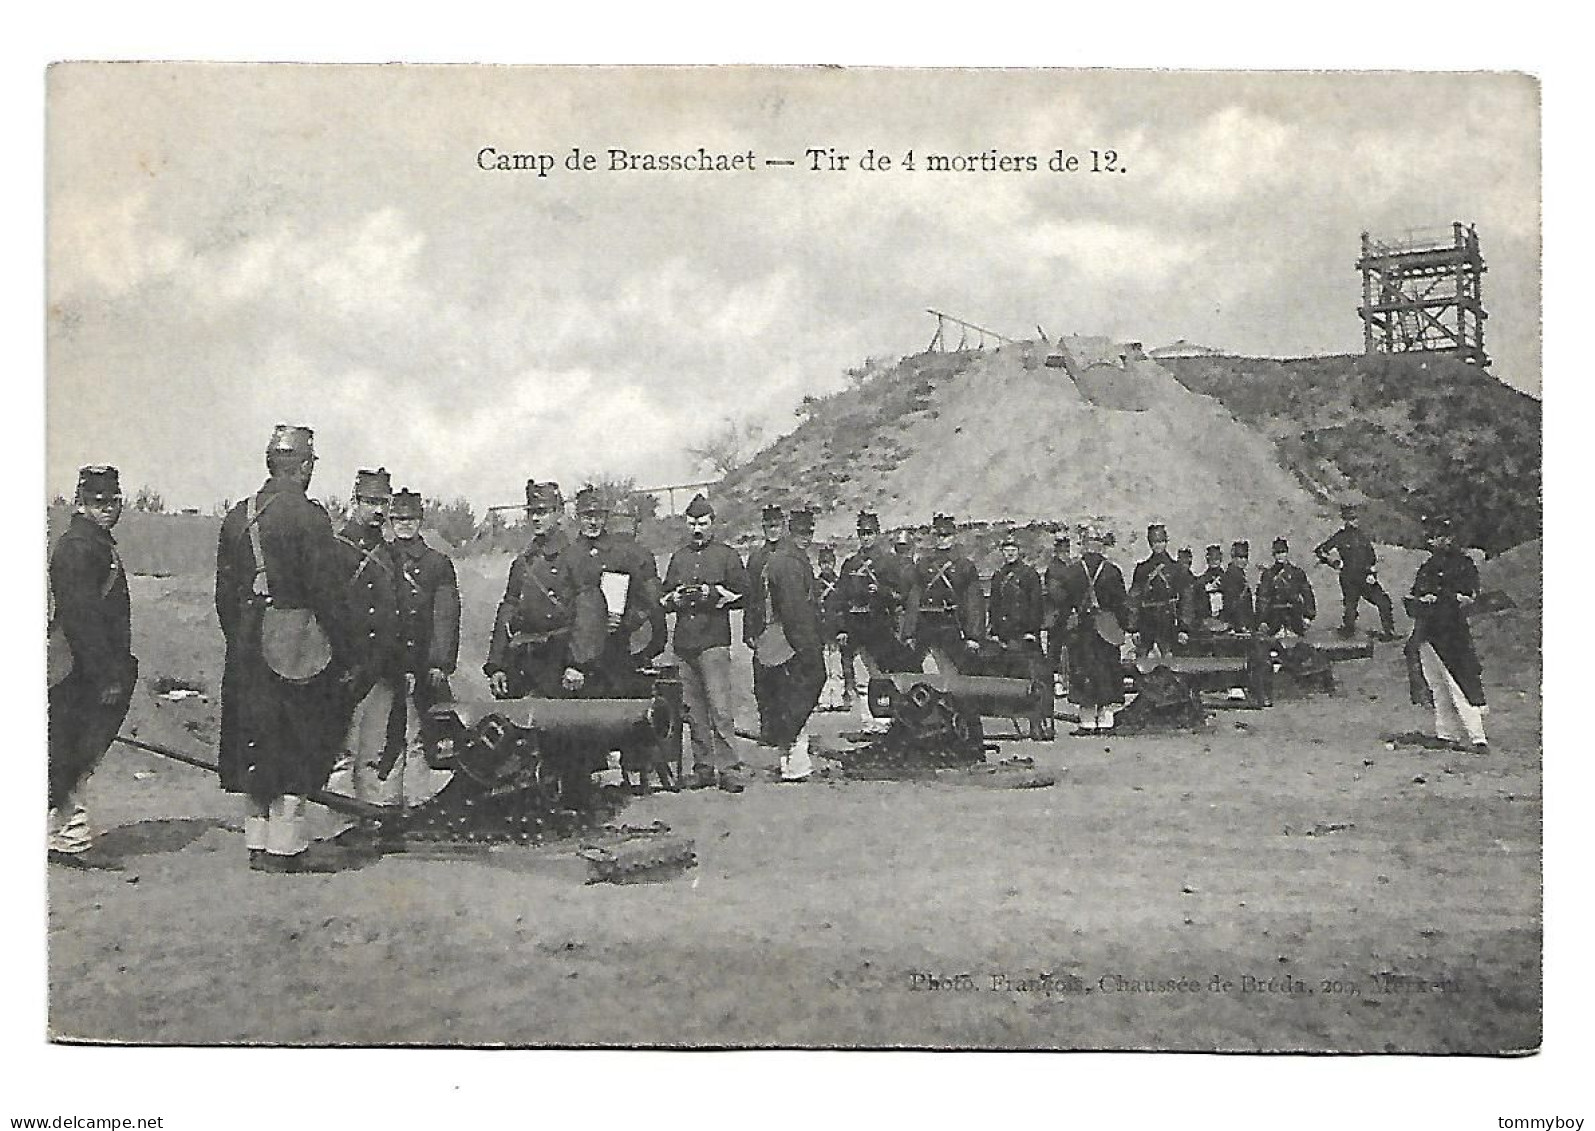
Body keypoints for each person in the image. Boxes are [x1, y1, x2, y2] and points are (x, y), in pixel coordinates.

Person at [215, 425, 355, 873]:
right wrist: (344, 649)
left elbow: (222, 595)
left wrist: (241, 637)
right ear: (305, 467)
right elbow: (329, 594)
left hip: (245, 643)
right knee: (299, 741)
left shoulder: (238, 516)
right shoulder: (311, 518)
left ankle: (256, 843)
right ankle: (286, 847)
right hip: (295, 645)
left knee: (254, 742)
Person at [485, 481, 609, 801]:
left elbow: (590, 610)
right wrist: (497, 664)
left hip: (560, 659)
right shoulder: (524, 561)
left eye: (544, 512)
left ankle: (577, 805)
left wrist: (578, 664)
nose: (537, 518)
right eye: (532, 512)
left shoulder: (576, 557)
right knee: (523, 739)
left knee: (567, 739)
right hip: (525, 660)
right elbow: (508, 610)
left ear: (559, 513)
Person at [47, 465, 137, 870]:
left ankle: (60, 835)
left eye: (113, 502)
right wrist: (105, 675)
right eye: (99, 502)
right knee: (72, 755)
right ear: (81, 502)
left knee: (68, 755)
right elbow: (82, 619)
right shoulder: (80, 547)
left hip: (78, 666)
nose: (108, 509)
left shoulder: (92, 543)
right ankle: (70, 840)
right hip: (77, 671)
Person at [329, 468, 407, 843]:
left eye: (383, 503)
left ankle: (368, 820)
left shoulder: (391, 552)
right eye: (371, 502)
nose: (378, 511)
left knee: (374, 749)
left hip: (383, 666)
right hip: (347, 664)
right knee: (341, 746)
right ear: (354, 502)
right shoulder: (337, 549)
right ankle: (341, 822)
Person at [661, 494, 750, 791]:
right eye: (691, 523)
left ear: (712, 523)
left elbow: (744, 594)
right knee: (693, 710)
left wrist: (712, 594)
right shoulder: (679, 557)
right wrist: (675, 598)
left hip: (713, 640)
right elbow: (664, 596)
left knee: (720, 708)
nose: (697, 529)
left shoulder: (726, 555)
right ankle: (703, 767)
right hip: (685, 642)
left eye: (702, 523)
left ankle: (729, 768)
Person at [383, 488, 461, 789]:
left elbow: (445, 616)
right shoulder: (382, 557)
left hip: (423, 662)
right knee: (386, 736)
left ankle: (423, 802)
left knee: (432, 737)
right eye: (399, 518)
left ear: (420, 521)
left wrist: (439, 662)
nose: (404, 524)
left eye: (410, 518)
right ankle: (385, 804)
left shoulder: (436, 563)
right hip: (388, 661)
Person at [572, 485, 665, 697]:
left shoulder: (621, 555)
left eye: (598, 516)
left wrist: (625, 621)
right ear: (577, 517)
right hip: (576, 653)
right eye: (587, 516)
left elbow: (645, 600)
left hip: (614, 649)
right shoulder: (568, 555)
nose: (593, 522)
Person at [1405, 515, 1488, 751]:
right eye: (1433, 537)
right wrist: (1421, 600)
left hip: (1452, 632)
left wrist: (1442, 598)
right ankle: (1446, 733)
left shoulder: (1464, 565)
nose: (1436, 541)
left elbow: (1469, 596)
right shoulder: (1428, 567)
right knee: (1437, 685)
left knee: (1460, 683)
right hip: (1428, 631)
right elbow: (1415, 596)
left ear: (1451, 538)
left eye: (1441, 536)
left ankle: (1477, 737)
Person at [755, 507, 826, 781]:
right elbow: (795, 611)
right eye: (800, 532)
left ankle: (790, 762)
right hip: (790, 640)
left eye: (809, 532)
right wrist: (807, 648)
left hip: (781, 638)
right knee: (803, 691)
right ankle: (794, 764)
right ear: (790, 531)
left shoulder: (783, 558)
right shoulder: (789, 562)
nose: (805, 537)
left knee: (788, 697)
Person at [836, 510, 914, 728]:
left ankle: (888, 721)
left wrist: (881, 591)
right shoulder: (850, 564)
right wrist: (841, 628)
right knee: (860, 677)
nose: (866, 537)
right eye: (862, 533)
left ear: (878, 533)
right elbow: (840, 599)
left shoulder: (889, 563)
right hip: (856, 626)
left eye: (869, 532)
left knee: (883, 676)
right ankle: (867, 721)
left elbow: (902, 596)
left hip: (880, 625)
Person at [1060, 527, 1129, 734]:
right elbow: (1121, 603)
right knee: (1107, 671)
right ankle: (1106, 718)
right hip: (1107, 627)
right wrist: (1125, 626)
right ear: (1100, 546)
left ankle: (1087, 720)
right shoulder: (1112, 570)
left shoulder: (1071, 571)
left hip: (1082, 629)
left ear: (1083, 546)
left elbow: (1064, 603)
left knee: (1083, 671)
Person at [988, 532, 1052, 739]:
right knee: (1010, 681)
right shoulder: (998, 576)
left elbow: (1036, 605)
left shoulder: (1029, 575)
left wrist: (1032, 631)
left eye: (1013, 550)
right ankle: (1016, 725)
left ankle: (1037, 724)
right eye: (1006, 550)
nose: (1009, 553)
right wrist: (995, 631)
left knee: (1033, 680)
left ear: (1019, 552)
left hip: (1025, 635)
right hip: (1006, 636)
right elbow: (994, 606)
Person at [903, 513, 984, 675]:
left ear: (953, 537)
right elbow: (914, 599)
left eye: (946, 535)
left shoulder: (964, 566)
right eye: (938, 535)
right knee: (912, 667)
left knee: (963, 669)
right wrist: (908, 633)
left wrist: (973, 636)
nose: (942, 539)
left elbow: (974, 603)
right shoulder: (923, 565)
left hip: (952, 626)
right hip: (926, 626)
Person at [1315, 503, 1397, 641]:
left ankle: (1389, 632)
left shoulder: (1362, 536)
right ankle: (1348, 632)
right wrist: (1334, 563)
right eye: (1351, 519)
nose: (1354, 521)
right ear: (1345, 520)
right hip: (1348, 577)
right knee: (1350, 607)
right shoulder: (1339, 537)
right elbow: (1320, 551)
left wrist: (1372, 574)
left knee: (1384, 601)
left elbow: (1372, 557)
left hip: (1365, 577)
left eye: (1355, 518)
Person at [742, 502, 788, 744]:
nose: (773, 530)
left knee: (786, 682)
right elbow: (749, 596)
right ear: (763, 528)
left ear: (784, 526)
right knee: (762, 683)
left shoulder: (791, 554)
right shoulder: (756, 558)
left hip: (785, 628)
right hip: (763, 628)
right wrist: (748, 630)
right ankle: (767, 728)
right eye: (769, 526)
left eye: (777, 526)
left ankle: (786, 731)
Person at [1128, 523, 1190, 658]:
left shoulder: (1176, 569)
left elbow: (1185, 600)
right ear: (1150, 544)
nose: (1158, 545)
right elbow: (1134, 599)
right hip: (1146, 621)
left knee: (1170, 660)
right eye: (1155, 542)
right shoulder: (1142, 569)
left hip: (1168, 621)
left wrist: (1183, 628)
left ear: (1166, 542)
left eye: (1161, 541)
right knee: (1142, 661)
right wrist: (1133, 628)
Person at [1256, 537, 1317, 637]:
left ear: (1287, 552)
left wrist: (1308, 616)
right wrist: (1263, 620)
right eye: (1277, 553)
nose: (1280, 555)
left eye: (1282, 552)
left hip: (1294, 618)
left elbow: (1307, 594)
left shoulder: (1297, 573)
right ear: (1273, 555)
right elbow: (1263, 597)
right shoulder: (1268, 574)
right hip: (1275, 619)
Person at [1042, 530, 1074, 691]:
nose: (1065, 553)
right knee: (1056, 648)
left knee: (1063, 648)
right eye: (1062, 550)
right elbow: (1056, 593)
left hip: (1064, 613)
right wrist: (1072, 598)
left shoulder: (1066, 566)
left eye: (1066, 549)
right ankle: (1056, 681)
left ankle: (1063, 679)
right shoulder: (1054, 568)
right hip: (1058, 614)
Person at [1221, 540, 1256, 633]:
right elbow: (1232, 603)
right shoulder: (1230, 577)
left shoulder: (1240, 575)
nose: (1243, 560)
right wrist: (1241, 625)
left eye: (1245, 557)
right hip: (1236, 626)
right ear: (1233, 558)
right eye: (1240, 557)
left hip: (1243, 625)